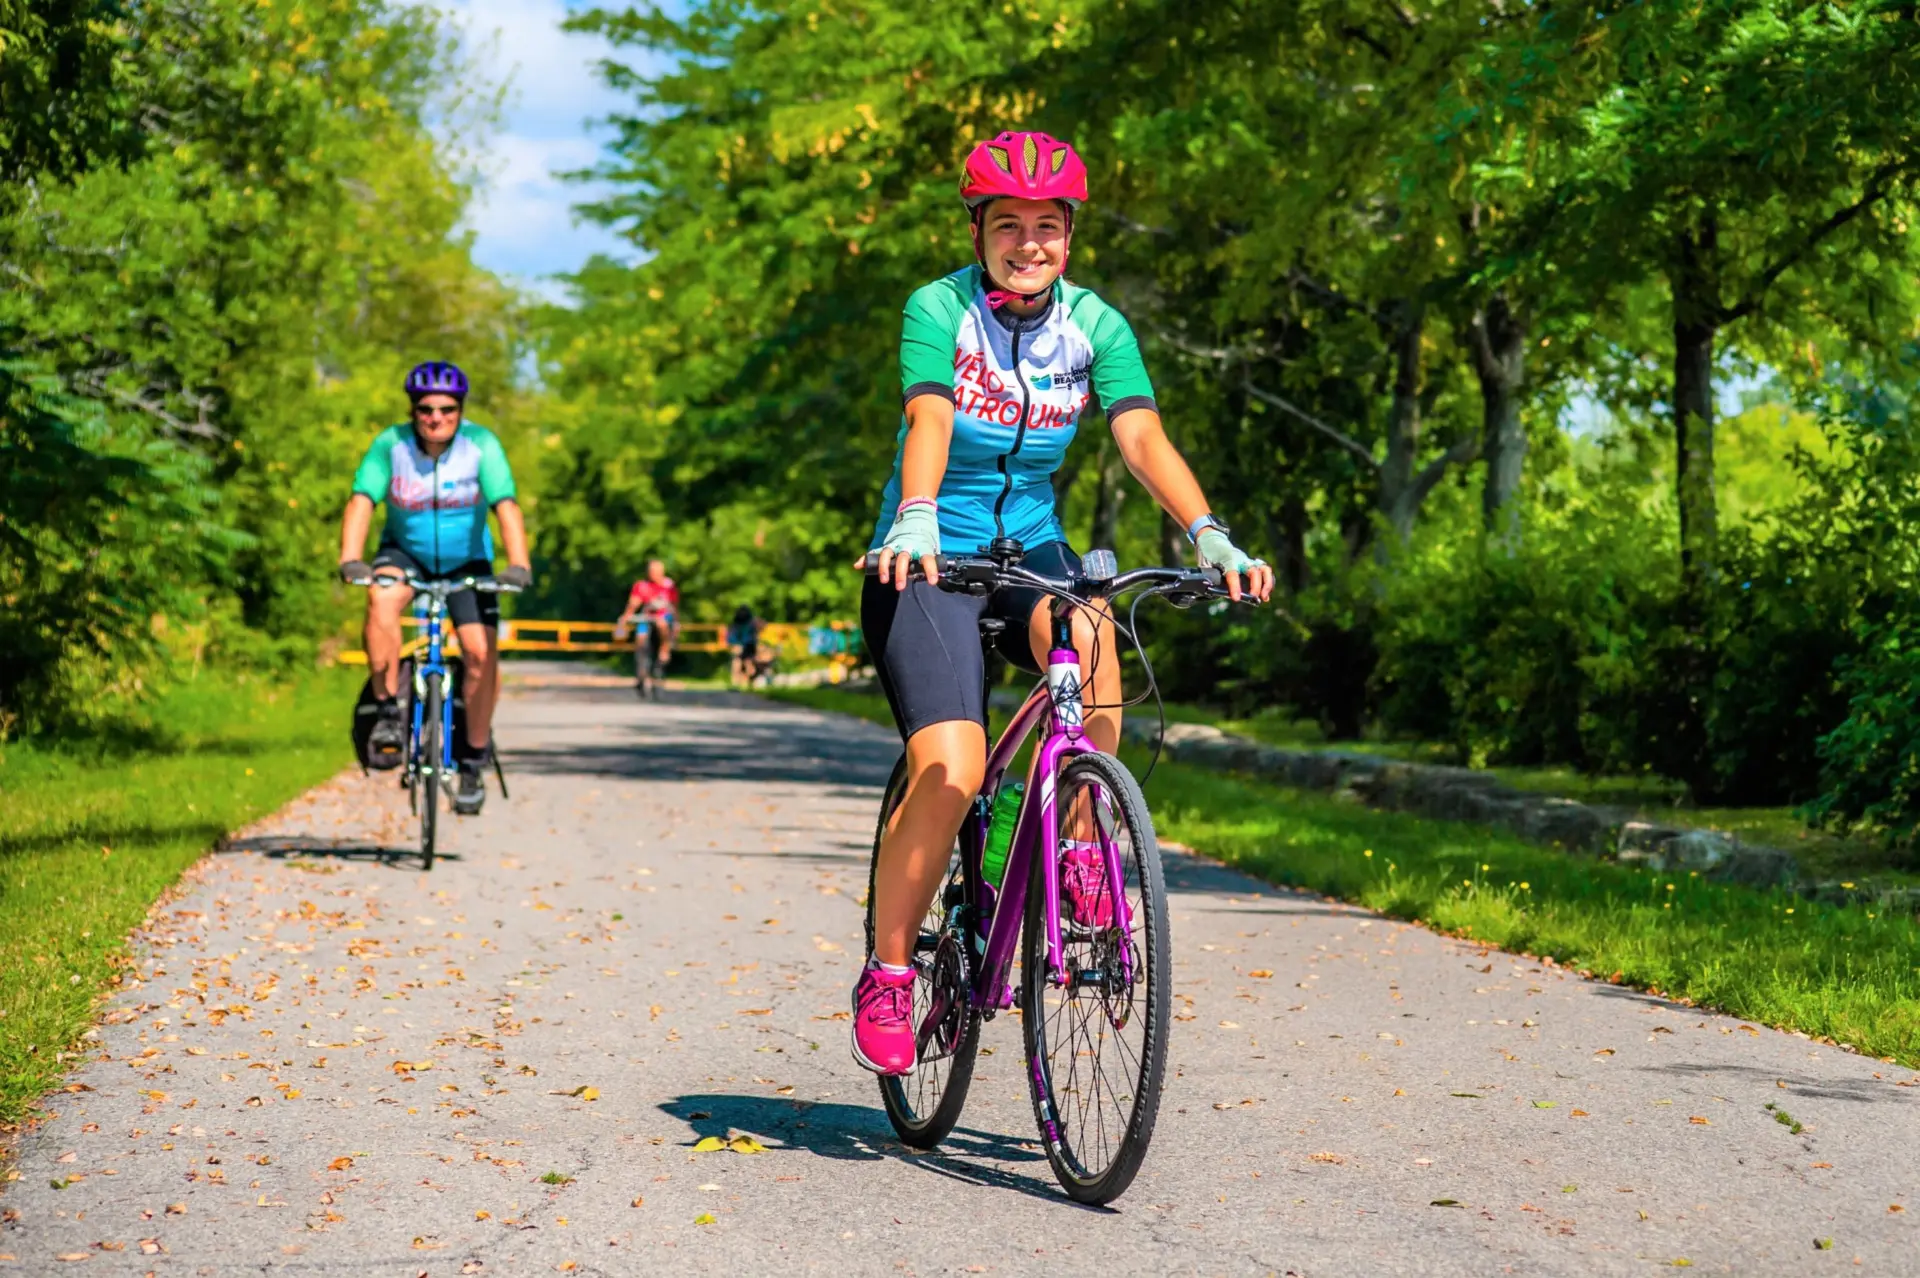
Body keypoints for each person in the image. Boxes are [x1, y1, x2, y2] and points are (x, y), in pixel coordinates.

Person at [850, 131, 1275, 1075]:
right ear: (979, 229)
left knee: (1093, 625)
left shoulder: (1097, 326)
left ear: (1070, 233)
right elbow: (928, 416)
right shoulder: (938, 308)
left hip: (1028, 554)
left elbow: (1141, 438)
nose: (1028, 243)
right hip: (926, 562)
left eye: (1047, 226)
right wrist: (916, 520)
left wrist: (1211, 535)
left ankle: (1079, 842)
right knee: (953, 768)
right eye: (1009, 225)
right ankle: (888, 973)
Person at [337, 361, 531, 815]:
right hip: (405, 553)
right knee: (381, 598)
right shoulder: (392, 445)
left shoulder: (481, 446)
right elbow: (362, 499)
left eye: (447, 409)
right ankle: (387, 713)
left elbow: (506, 504)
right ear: (413, 410)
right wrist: (351, 557)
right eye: (426, 409)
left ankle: (472, 759)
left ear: (460, 410)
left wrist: (518, 563)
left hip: (468, 560)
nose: (436, 418)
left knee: (481, 652)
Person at [615, 559, 680, 688]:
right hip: (647, 617)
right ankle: (641, 671)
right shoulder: (642, 586)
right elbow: (634, 603)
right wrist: (625, 618)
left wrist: (677, 622)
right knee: (640, 638)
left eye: (656, 572)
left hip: (664, 616)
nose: (653, 574)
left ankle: (664, 651)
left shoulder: (669, 585)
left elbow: (674, 607)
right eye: (651, 572)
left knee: (662, 624)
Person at [726, 604, 765, 687]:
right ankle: (738, 683)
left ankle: (744, 682)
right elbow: (731, 636)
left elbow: (763, 626)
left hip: (748, 645)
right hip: (741, 645)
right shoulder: (737, 624)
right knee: (739, 663)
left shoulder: (751, 622)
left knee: (747, 663)